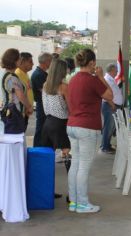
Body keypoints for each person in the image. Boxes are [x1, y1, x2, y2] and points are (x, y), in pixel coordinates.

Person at [66, 49, 113, 213]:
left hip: (72, 125)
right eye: (95, 63)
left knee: (76, 164)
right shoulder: (92, 80)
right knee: (84, 166)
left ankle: (73, 201)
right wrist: (101, 77)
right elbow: (110, 95)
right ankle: (83, 204)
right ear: (92, 62)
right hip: (86, 127)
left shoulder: (72, 80)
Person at [41, 59, 71, 199]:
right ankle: (72, 193)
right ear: (62, 71)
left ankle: (46, 191)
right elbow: (71, 108)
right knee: (68, 156)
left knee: (47, 159)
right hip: (60, 124)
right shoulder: (64, 87)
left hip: (48, 123)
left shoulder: (45, 85)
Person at [1, 48, 32, 131]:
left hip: (12, 113)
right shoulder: (12, 77)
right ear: (14, 61)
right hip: (14, 114)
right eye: (19, 58)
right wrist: (29, 107)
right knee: (15, 139)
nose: (20, 60)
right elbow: (20, 95)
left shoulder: (8, 74)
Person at [100, 63, 123, 154]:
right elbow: (105, 95)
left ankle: (107, 145)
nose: (117, 71)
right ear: (111, 70)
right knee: (108, 127)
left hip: (112, 106)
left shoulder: (111, 79)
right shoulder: (107, 80)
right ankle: (104, 147)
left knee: (111, 127)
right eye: (116, 70)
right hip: (109, 106)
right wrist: (113, 104)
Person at [31, 52, 53, 147]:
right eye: (51, 61)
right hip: (42, 105)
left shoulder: (42, 73)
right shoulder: (39, 74)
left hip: (44, 104)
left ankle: (42, 149)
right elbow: (46, 91)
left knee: (45, 129)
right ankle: (38, 150)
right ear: (46, 61)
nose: (51, 64)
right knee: (41, 129)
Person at [15, 52, 34, 131]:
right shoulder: (18, 74)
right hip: (21, 111)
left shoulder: (25, 74)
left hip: (25, 111)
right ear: (22, 61)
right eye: (30, 61)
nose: (32, 64)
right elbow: (19, 94)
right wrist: (28, 107)